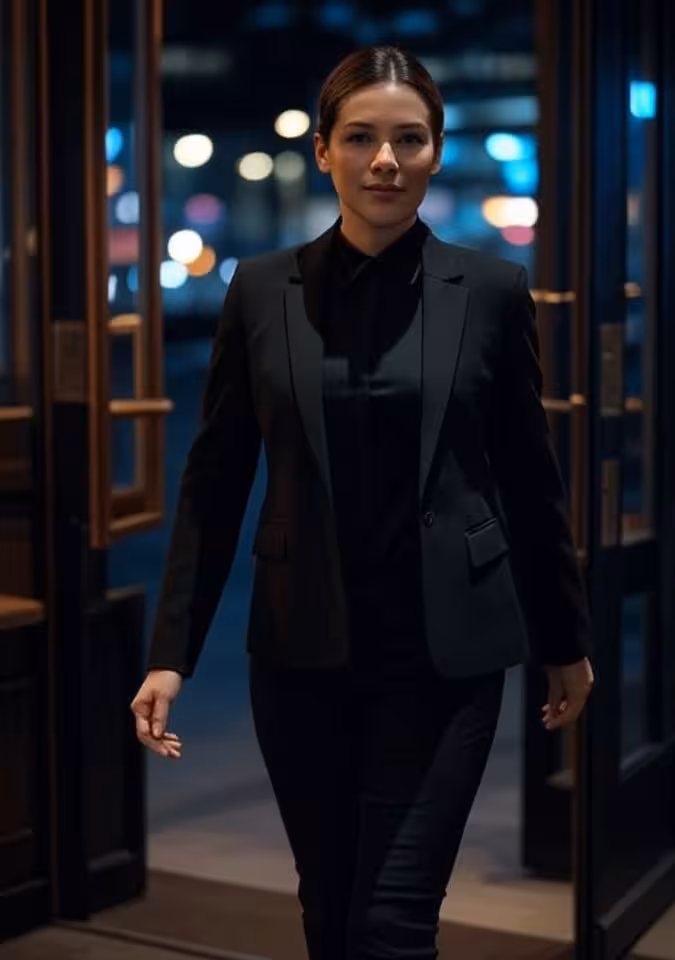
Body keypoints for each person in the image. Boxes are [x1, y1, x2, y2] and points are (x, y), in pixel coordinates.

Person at [131, 44, 594, 960]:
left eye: (409, 140)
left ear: (434, 152)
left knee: (391, 921)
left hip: (445, 657)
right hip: (302, 654)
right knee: (329, 913)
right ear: (327, 150)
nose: (387, 159)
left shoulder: (491, 291)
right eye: (363, 138)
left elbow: (530, 480)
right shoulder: (261, 290)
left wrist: (565, 641)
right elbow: (214, 480)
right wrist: (169, 654)